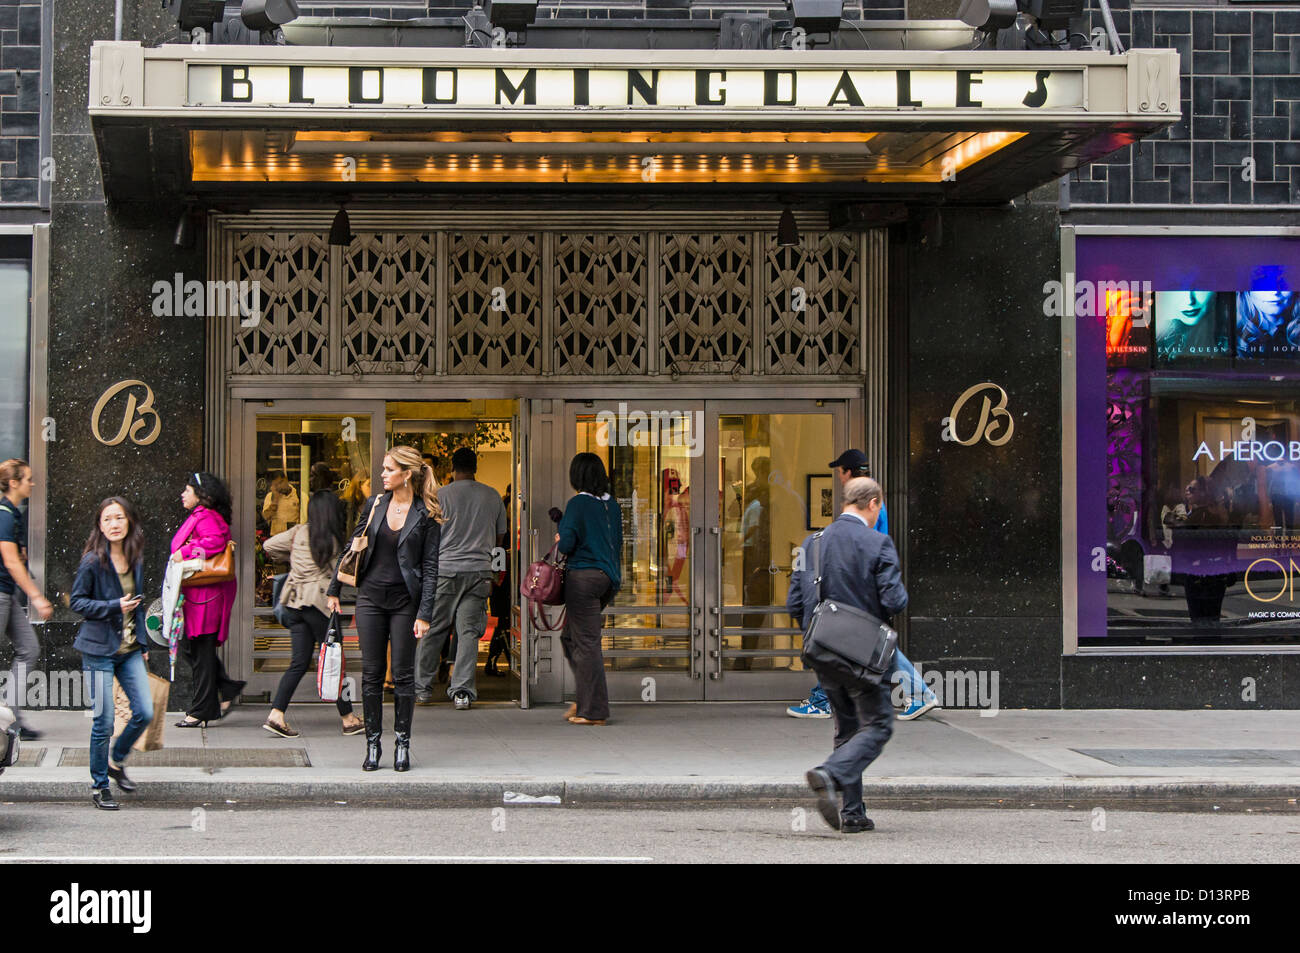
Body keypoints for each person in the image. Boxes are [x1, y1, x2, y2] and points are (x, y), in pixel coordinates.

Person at [787, 450, 938, 722]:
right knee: (863, 643)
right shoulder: (872, 499)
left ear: (848, 472)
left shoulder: (866, 503)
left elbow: (865, 543)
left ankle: (824, 700)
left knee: (841, 639)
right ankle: (918, 694)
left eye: (840, 471)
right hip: (864, 583)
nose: (838, 477)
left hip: (858, 584)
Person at [327, 446, 441, 772]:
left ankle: (402, 744)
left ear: (407, 473)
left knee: (404, 676)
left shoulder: (427, 514)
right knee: (373, 675)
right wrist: (335, 588)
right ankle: (373, 744)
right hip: (370, 599)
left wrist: (425, 614)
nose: (382, 474)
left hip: (406, 602)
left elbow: (431, 568)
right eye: (383, 469)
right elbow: (353, 546)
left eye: (389, 469)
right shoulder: (376, 505)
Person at [804, 477, 908, 833]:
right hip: (863, 655)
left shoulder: (814, 543)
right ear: (874, 503)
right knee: (878, 725)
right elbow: (895, 602)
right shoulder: (878, 543)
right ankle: (830, 773)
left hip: (824, 651)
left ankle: (852, 813)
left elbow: (795, 602)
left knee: (846, 728)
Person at [262, 475, 364, 738]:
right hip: (319, 607)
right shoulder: (332, 541)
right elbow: (340, 574)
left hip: (294, 603)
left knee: (298, 662)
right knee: (333, 659)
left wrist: (291, 558)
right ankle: (349, 718)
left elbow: (268, 545)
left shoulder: (297, 533)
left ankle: (277, 714)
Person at [70, 497, 152, 811]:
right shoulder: (93, 561)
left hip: (130, 650)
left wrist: (143, 646)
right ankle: (100, 785)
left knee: (144, 711)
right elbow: (77, 602)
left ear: (129, 521)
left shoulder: (136, 558)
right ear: (100, 526)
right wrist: (112, 606)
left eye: (119, 518)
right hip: (99, 651)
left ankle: (116, 761)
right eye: (107, 519)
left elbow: (140, 604)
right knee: (103, 722)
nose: (114, 524)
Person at [414, 448, 506, 710]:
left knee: (433, 629)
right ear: (475, 467)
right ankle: (462, 691)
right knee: (468, 632)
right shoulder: (492, 496)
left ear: (453, 468)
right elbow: (499, 539)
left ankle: (422, 688)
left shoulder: (440, 495)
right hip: (478, 572)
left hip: (445, 570)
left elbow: (428, 537)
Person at [555, 453, 622, 726]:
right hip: (608, 577)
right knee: (571, 637)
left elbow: (566, 544)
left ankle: (593, 711)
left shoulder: (578, 503)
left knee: (586, 643)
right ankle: (585, 697)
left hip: (583, 578)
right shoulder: (612, 505)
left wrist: (561, 533)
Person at [173, 472, 244, 727]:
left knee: (200, 651)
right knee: (195, 650)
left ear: (201, 495)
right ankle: (225, 688)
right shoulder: (202, 516)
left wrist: (186, 552)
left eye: (187, 490)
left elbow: (214, 542)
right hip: (201, 595)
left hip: (206, 597)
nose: (183, 494)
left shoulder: (205, 517)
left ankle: (201, 710)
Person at [0, 459, 50, 740]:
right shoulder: (4, 514)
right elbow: (11, 562)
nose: (32, 483)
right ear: (14, 483)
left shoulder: (13, 514)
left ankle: (9, 717)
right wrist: (37, 597)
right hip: (1, 594)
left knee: (29, 649)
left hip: (6, 594)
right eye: (28, 479)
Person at [262, 470, 300, 536]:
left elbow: (304, 519)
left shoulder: (298, 495)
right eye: (276, 485)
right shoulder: (270, 496)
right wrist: (275, 500)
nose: (280, 486)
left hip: (294, 536)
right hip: (276, 536)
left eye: (281, 482)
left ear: (286, 480)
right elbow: (266, 516)